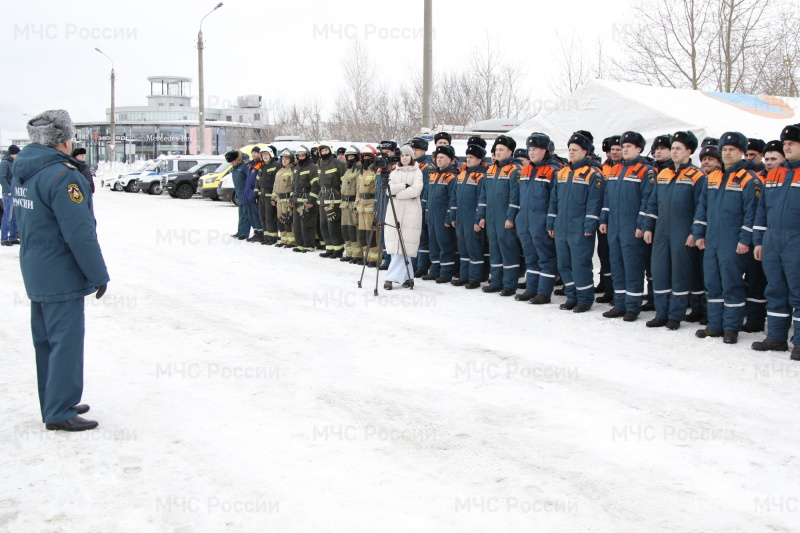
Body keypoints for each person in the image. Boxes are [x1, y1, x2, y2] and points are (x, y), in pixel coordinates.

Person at [12, 109, 109, 431]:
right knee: (65, 341)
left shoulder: (24, 169)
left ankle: (54, 400)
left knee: (45, 341)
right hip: (60, 270)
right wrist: (98, 274)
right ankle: (60, 410)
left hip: (36, 266)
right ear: (63, 140)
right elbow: (78, 232)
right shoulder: (62, 175)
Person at [693, 132, 761, 344]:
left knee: (731, 284)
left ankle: (731, 327)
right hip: (712, 239)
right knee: (712, 282)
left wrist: (745, 240)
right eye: (724, 150)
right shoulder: (711, 178)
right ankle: (715, 324)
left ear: (742, 152)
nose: (727, 153)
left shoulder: (750, 180)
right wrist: (699, 233)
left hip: (733, 242)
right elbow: (702, 208)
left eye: (732, 149)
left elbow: (752, 213)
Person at [643, 131, 706, 330]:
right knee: (659, 271)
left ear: (689, 151)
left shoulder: (697, 176)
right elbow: (652, 203)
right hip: (661, 230)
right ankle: (661, 314)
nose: (674, 151)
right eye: (673, 148)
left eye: (679, 148)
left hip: (682, 231)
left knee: (680, 273)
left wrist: (694, 232)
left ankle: (675, 316)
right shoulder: (663, 173)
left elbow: (701, 207)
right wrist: (647, 227)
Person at [752, 123, 800, 360]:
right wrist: (759, 241)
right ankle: (777, 338)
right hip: (772, 241)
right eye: (785, 143)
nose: (787, 146)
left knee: (799, 292)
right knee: (775, 290)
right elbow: (762, 210)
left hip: (796, 241)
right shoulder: (774, 174)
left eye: (792, 143)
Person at [599, 131, 655, 321]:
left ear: (639, 149)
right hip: (614, 225)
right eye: (623, 147)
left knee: (633, 266)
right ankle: (620, 303)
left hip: (632, 227)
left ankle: (632, 306)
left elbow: (648, 201)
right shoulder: (615, 169)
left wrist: (642, 225)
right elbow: (607, 198)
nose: (624, 150)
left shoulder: (646, 171)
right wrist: (604, 219)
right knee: (617, 265)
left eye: (628, 147)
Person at [547, 132, 605, 312]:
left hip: (579, 228)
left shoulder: (592, 174)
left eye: (575, 150)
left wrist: (589, 225)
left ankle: (585, 299)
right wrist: (551, 223)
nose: (571, 152)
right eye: (570, 149)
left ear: (585, 152)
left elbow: (595, 202)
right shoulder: (562, 172)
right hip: (561, 227)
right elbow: (554, 201)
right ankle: (571, 296)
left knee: (580, 264)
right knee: (564, 264)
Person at [516, 133, 562, 303]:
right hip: (525, 220)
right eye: (529, 149)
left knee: (545, 256)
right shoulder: (526, 169)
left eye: (535, 149)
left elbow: (555, 200)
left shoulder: (553, 171)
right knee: (530, 256)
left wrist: (550, 221)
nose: (531, 153)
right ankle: (531, 289)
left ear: (544, 151)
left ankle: (544, 292)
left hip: (541, 220)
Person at [478, 135, 522, 296]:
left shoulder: (514, 170)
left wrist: (510, 217)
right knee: (494, 249)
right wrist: (481, 216)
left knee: (508, 249)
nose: (498, 152)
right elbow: (484, 195)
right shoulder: (491, 169)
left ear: (510, 152)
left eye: (501, 149)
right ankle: (496, 281)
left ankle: (510, 284)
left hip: (505, 218)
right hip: (491, 217)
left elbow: (515, 197)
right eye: (496, 149)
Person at [383, 145, 423, 289]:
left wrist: (398, 194)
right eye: (402, 155)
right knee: (395, 245)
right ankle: (408, 277)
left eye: (407, 155)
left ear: (411, 157)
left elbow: (416, 190)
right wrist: (403, 185)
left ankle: (390, 277)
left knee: (405, 245)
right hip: (394, 211)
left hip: (411, 213)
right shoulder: (394, 172)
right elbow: (388, 190)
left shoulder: (417, 172)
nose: (405, 157)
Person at [452, 143, 487, 289]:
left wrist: (478, 219)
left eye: (472, 158)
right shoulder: (461, 175)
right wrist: (453, 216)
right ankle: (464, 276)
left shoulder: (481, 176)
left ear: (479, 160)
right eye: (467, 157)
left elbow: (482, 199)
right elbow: (454, 197)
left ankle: (474, 278)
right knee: (463, 248)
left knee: (474, 249)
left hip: (472, 218)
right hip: (460, 218)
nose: (468, 160)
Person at [422, 145, 459, 283]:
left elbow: (452, 199)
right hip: (432, 216)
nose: (439, 160)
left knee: (445, 244)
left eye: (442, 157)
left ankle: (446, 272)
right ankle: (435, 270)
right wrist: (426, 212)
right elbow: (427, 195)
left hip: (443, 217)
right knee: (433, 244)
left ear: (450, 160)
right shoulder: (434, 175)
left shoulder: (452, 177)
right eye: (437, 157)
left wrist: (449, 217)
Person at [596, 135, 622, 303]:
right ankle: (606, 285)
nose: (613, 152)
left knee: (617, 256)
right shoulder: (603, 168)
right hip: (603, 216)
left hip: (619, 218)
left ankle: (617, 291)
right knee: (604, 253)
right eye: (611, 150)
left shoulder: (625, 169)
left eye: (617, 150)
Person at [316, 141, 347, 258]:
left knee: (332, 225)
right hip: (322, 198)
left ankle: (338, 249)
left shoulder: (337, 163)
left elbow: (344, 182)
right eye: (322, 151)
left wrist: (340, 194)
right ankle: (329, 248)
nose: (324, 152)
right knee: (323, 225)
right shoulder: (320, 163)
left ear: (330, 150)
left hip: (334, 198)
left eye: (326, 150)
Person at [411, 137, 434, 276]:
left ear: (424, 150)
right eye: (412, 149)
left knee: (423, 238)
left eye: (417, 150)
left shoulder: (427, 166)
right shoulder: (411, 165)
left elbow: (426, 188)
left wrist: (423, 205)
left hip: (420, 205)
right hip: (410, 206)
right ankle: (413, 264)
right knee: (412, 237)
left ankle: (422, 266)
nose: (414, 152)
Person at [291, 145, 320, 253]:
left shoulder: (313, 168)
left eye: (303, 155)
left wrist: (311, 201)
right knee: (297, 225)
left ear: (307, 156)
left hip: (307, 201)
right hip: (297, 201)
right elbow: (293, 185)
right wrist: (292, 198)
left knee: (307, 224)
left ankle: (309, 245)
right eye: (299, 156)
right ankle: (300, 244)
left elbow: (316, 186)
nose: (301, 157)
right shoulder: (296, 168)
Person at [356, 145, 379, 266]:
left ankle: (375, 258)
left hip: (371, 206)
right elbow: (358, 190)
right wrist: (356, 205)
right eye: (364, 156)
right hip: (361, 207)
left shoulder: (375, 170)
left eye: (368, 156)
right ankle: (367, 256)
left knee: (372, 234)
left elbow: (378, 190)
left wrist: (377, 207)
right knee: (363, 234)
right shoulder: (362, 171)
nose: (366, 158)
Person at [272, 148, 296, 248]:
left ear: (291, 159)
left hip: (287, 200)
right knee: (280, 220)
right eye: (283, 159)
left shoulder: (292, 170)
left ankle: (292, 241)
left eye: (286, 158)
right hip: (279, 200)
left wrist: (291, 199)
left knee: (288, 220)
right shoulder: (279, 171)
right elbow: (275, 186)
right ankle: (284, 239)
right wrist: (273, 198)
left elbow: (294, 185)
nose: (284, 160)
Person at [255, 146, 280, 245]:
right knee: (263, 217)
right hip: (262, 196)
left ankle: (272, 237)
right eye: (263, 155)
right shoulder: (262, 167)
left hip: (270, 195)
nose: (265, 156)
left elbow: (277, 183)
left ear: (271, 154)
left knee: (270, 217)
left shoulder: (276, 165)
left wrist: (274, 197)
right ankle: (266, 236)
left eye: (266, 154)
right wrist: (255, 194)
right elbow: (257, 181)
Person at [228, 150, 251, 240]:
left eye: (233, 162)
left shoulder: (244, 165)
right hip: (239, 193)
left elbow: (249, 178)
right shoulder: (236, 166)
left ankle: (244, 233)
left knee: (245, 215)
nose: (232, 164)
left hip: (245, 194)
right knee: (241, 214)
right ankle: (240, 231)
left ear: (237, 159)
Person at [1, 144, 21, 246]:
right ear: (13, 154)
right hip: (8, 193)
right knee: (7, 217)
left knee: (14, 216)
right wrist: (8, 190)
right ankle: (4, 238)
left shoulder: (14, 162)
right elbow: (2, 177)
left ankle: (13, 237)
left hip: (15, 192)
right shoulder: (5, 163)